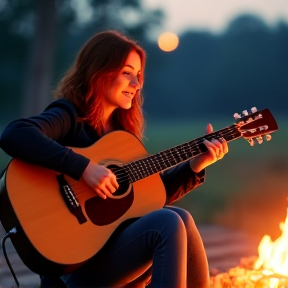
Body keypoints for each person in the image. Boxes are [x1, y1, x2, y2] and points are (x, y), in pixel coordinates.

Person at [0, 30, 228, 288]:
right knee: (168, 221)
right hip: (73, 266)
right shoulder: (69, 115)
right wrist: (83, 168)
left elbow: (147, 198)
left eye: (139, 75)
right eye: (127, 73)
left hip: (109, 256)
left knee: (181, 217)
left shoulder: (121, 135)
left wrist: (196, 164)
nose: (137, 84)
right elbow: (14, 134)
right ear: (100, 70)